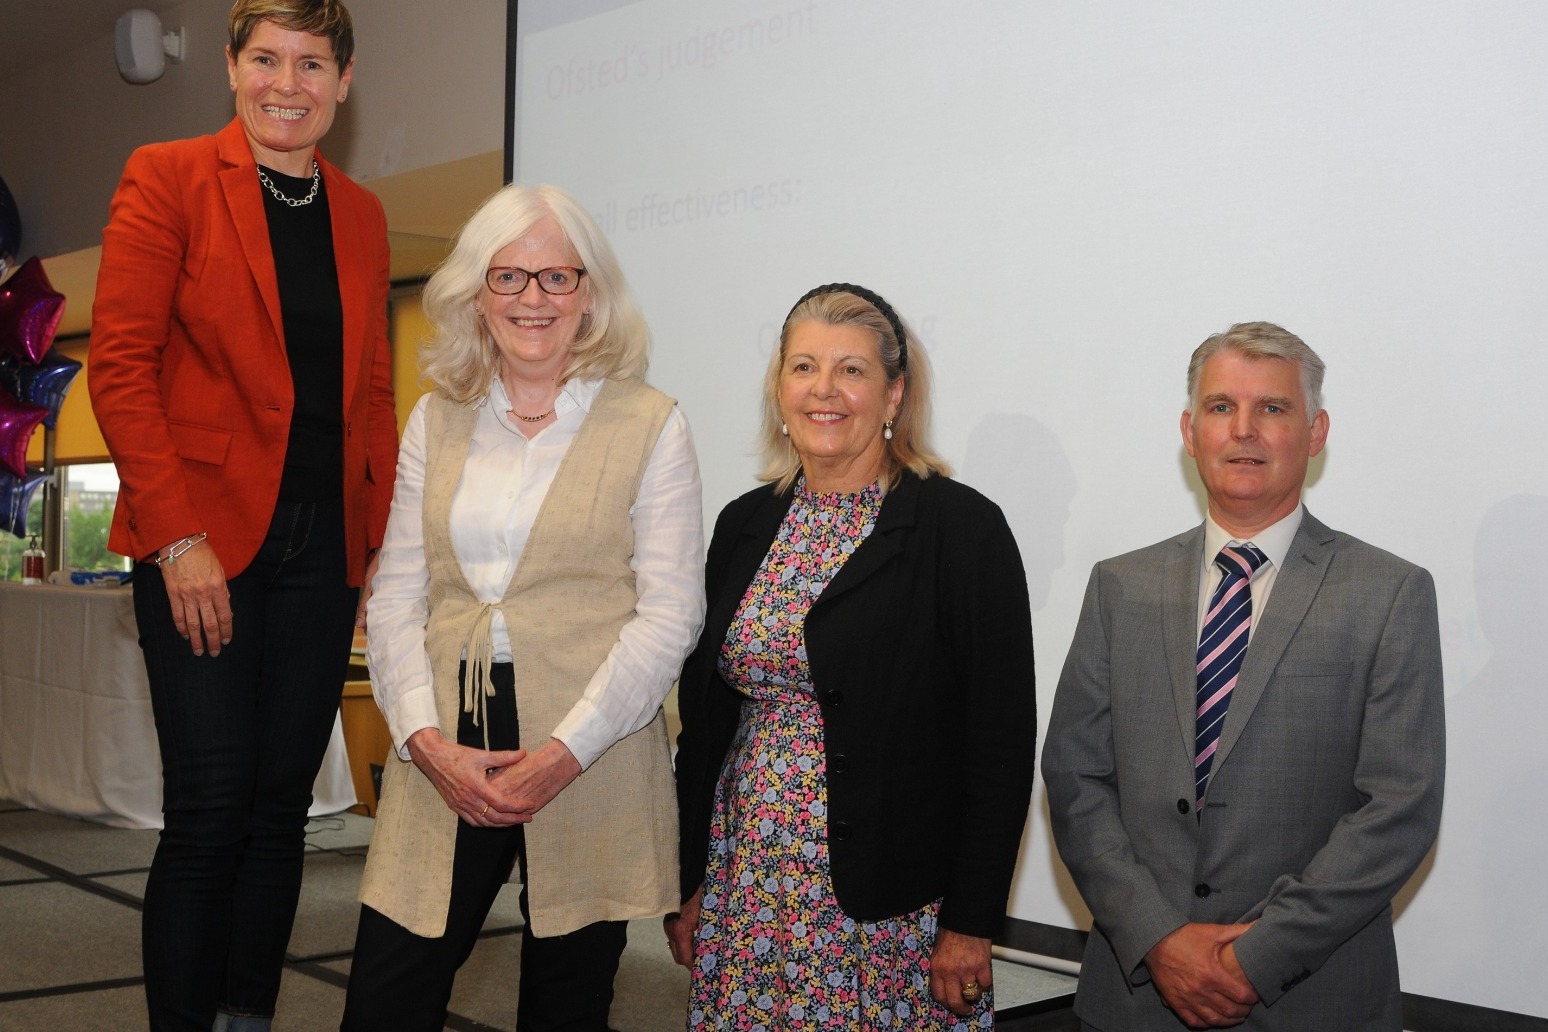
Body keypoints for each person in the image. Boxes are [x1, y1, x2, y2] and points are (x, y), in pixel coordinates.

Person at [87, 1, 396, 1028]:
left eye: (311, 63)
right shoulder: (168, 176)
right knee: (211, 807)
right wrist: (177, 538)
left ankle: (246, 1018)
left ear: (343, 80)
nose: (287, 84)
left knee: (279, 811)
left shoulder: (362, 214)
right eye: (267, 59)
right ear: (230, 67)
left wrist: (379, 548)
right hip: (199, 540)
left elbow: (373, 397)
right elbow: (121, 369)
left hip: (323, 551)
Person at [340, 183, 705, 1032]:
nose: (531, 298)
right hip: (448, 734)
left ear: (591, 294)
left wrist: (564, 754)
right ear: (477, 293)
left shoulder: (652, 424)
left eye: (556, 277)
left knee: (565, 1009)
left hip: (593, 738)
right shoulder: (436, 420)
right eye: (507, 276)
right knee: (387, 998)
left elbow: (671, 614)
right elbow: (398, 595)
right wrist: (424, 742)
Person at [1041, 322, 1444, 1031]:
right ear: (1190, 432)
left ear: (1315, 433)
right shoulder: (1119, 586)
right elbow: (1075, 780)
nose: (1244, 430)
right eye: (1221, 407)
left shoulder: (1389, 593)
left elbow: (1398, 807)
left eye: (1273, 408)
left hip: (1310, 1001)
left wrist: (1255, 958)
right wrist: (1159, 939)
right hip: (1136, 999)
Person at [667, 283, 1037, 1029]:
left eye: (852, 370)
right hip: (748, 887)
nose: (824, 390)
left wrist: (971, 922)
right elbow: (705, 723)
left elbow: (1000, 744)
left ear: (894, 394)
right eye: (804, 367)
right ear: (780, 390)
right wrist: (691, 878)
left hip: (892, 907)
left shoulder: (960, 528)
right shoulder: (744, 524)